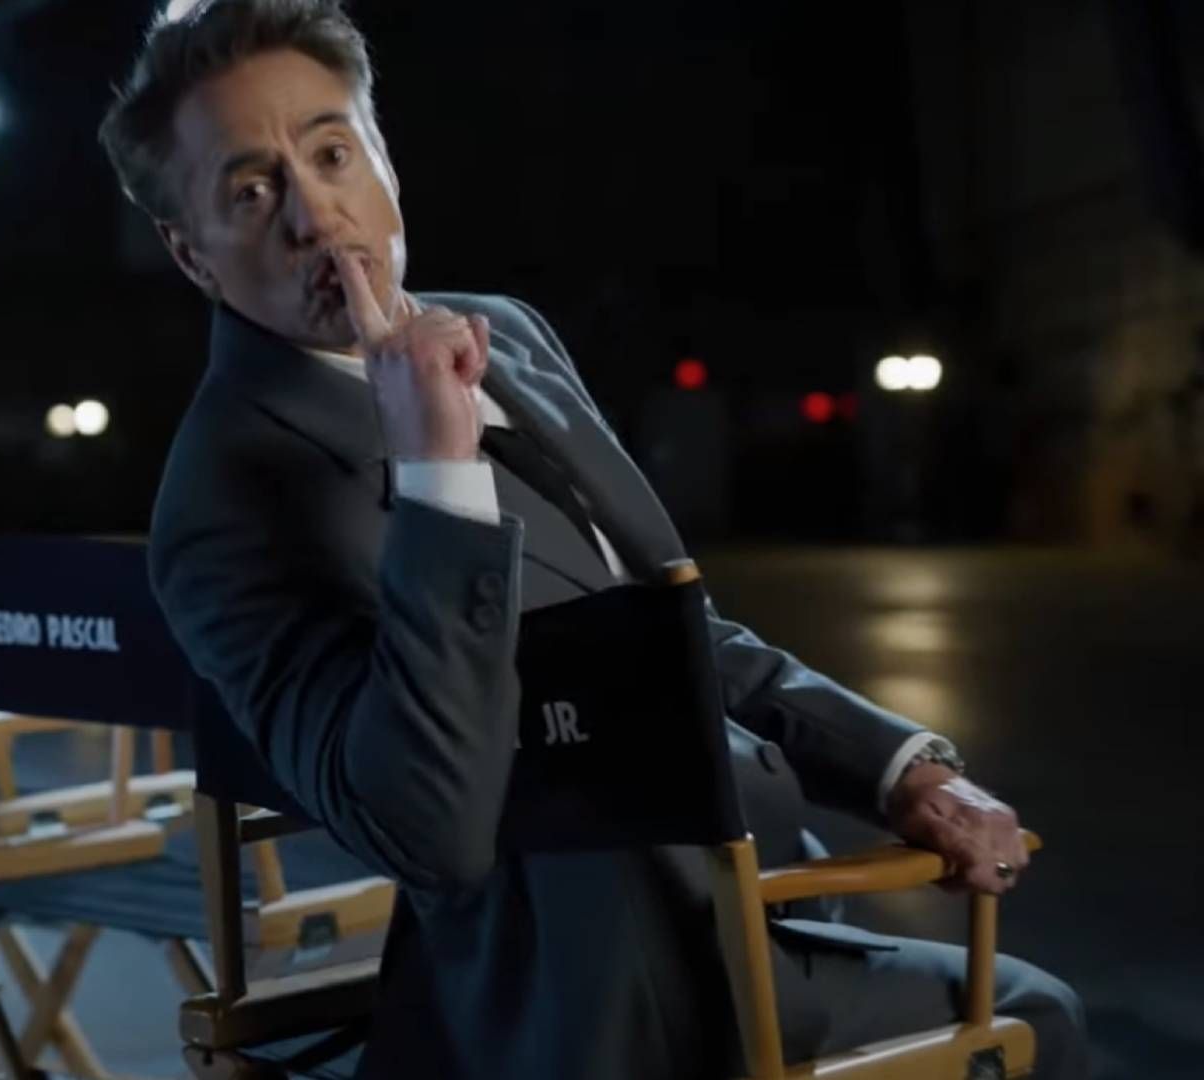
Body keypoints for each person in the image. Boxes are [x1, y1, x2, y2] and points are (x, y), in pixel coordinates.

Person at [101, 1, 1088, 1076]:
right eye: (251, 191)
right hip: (577, 1009)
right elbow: (424, 830)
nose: (315, 214)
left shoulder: (508, 334)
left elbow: (666, 629)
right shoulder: (219, 499)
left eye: (333, 153)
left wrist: (896, 769)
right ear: (191, 255)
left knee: (1032, 1009)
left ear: (385, 158)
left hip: (746, 911)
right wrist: (436, 477)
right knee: (1030, 1026)